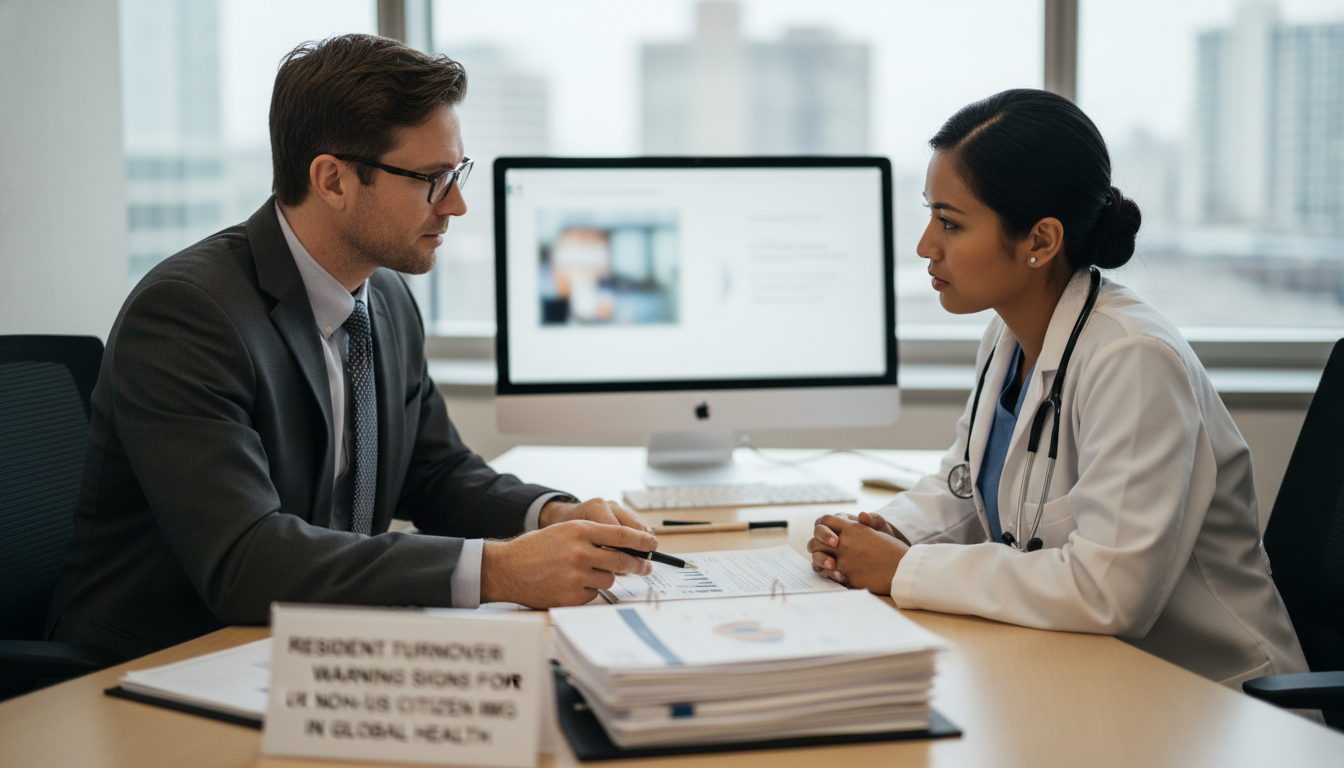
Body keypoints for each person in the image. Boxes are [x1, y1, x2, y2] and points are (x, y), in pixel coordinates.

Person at [45, 34, 656, 660]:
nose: (457, 204)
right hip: (162, 661)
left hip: (313, 652)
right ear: (333, 180)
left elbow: (436, 473)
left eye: (456, 173)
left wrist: (552, 516)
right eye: (432, 179)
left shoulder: (385, 297)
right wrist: (498, 571)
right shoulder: (188, 314)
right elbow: (246, 560)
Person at [807, 89, 1308, 689]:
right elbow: (965, 485)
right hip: (1087, 671)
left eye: (950, 223)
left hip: (1213, 694)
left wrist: (906, 569)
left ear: (1041, 241)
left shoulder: (1133, 358)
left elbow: (1109, 591)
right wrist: (882, 533)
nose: (925, 246)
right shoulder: (1008, 333)